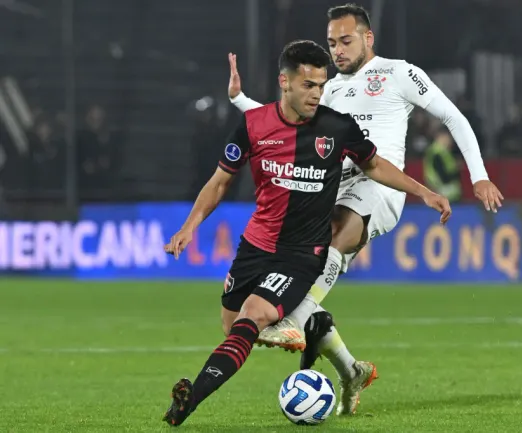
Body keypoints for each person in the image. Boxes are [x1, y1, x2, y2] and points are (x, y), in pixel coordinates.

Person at [227, 3, 504, 414]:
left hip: (380, 187)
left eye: (345, 40)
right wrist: (240, 100)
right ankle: (350, 369)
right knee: (299, 268)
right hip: (334, 187)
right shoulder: (330, 90)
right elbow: (278, 118)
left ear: (367, 38)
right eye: (331, 43)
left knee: (334, 236)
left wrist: (478, 174)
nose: (337, 50)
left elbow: (453, 116)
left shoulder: (399, 73)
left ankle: (293, 318)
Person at [162, 39, 451, 427]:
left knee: (254, 317)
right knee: (233, 329)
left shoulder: (336, 128)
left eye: (321, 84)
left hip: (302, 254)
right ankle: (322, 332)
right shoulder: (254, 126)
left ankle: (188, 400)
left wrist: (424, 192)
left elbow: (376, 166)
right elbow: (218, 184)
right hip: (255, 247)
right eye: (308, 85)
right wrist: (189, 227)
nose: (317, 94)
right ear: (285, 82)